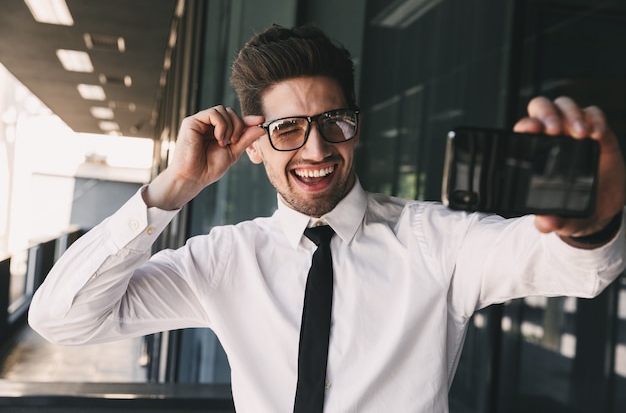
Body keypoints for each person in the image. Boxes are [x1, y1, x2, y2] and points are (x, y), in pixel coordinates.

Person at [29, 24, 626, 413]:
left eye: (334, 123)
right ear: (253, 144)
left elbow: (578, 269)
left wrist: (587, 222)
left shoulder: (435, 241)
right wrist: (173, 187)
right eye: (287, 129)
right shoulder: (222, 261)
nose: (316, 151)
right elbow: (63, 320)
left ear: (355, 128)